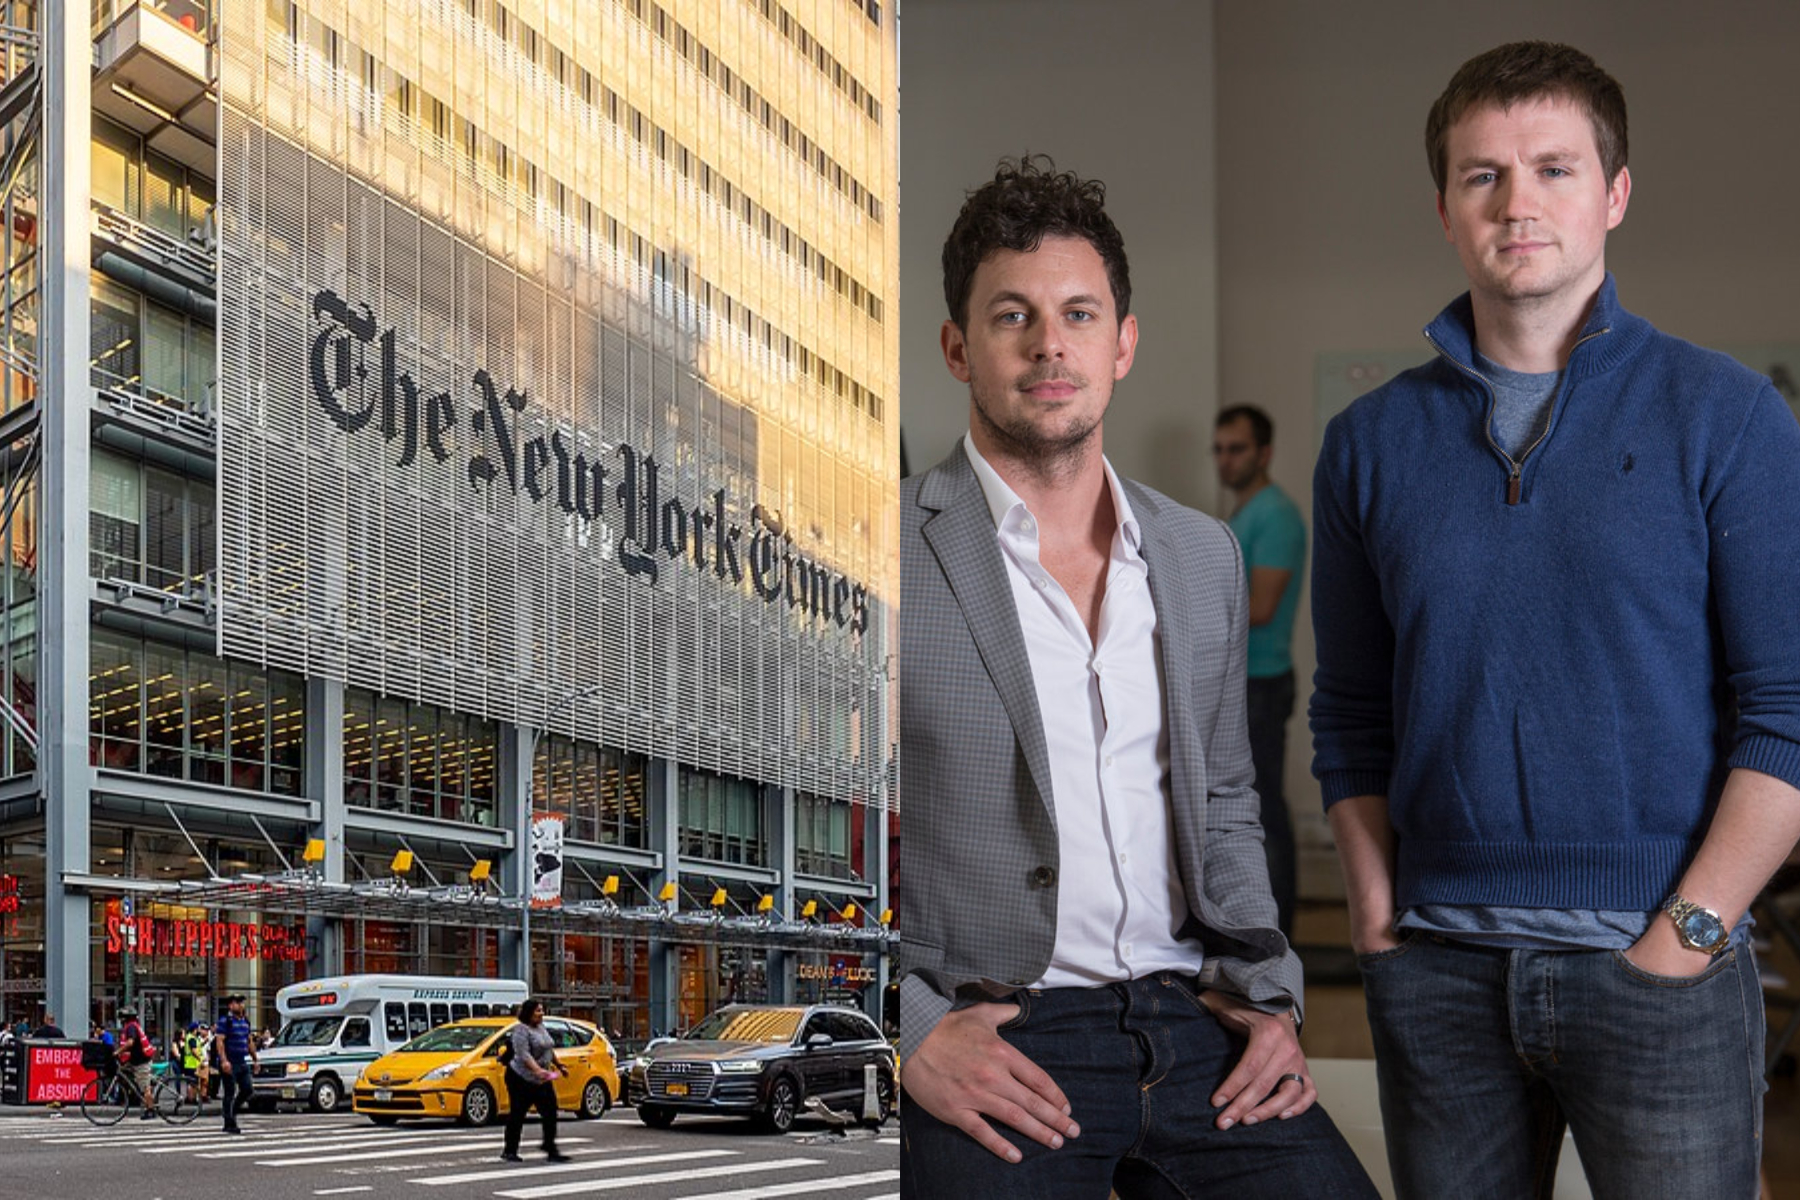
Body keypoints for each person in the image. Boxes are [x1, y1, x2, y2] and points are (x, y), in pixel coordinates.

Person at [1310, 41, 1800, 1200]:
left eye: (1554, 169)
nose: (1517, 202)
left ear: (1615, 194)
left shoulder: (1726, 414)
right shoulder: (1368, 445)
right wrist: (1381, 928)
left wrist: (1684, 936)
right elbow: (1351, 715)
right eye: (1483, 175)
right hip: (1439, 974)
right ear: (1444, 208)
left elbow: (1785, 713)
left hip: (1658, 967)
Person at [898, 155, 1374, 1199]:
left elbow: (1228, 797)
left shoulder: (1202, 554)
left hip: (1193, 1017)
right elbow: (810, 839)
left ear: (1123, 343)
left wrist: (1269, 998)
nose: (1048, 343)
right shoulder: (881, 555)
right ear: (956, 347)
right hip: (997, 1026)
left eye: (1078, 312)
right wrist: (909, 1030)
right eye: (1011, 315)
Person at [1214, 405, 1306, 939]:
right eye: (1220, 449)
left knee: (1264, 812)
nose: (1226, 460)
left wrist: (1185, 609)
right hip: (1242, 684)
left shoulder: (1276, 514)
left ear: (1264, 453)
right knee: (1249, 811)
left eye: (1238, 448)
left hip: (1262, 684)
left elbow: (1262, 606)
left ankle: (1279, 937)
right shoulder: (1245, 513)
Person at [499, 998, 569, 1164]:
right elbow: (523, 1055)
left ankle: (550, 1147)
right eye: (538, 1011)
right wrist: (537, 1070)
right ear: (529, 1013)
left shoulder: (541, 1028)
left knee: (550, 1112)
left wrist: (559, 1066)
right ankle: (510, 1150)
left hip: (542, 1078)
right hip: (520, 1078)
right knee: (517, 1113)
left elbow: (548, 1049)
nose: (541, 1014)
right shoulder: (521, 1030)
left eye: (542, 1010)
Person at [213, 994, 257, 1134]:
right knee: (229, 1092)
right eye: (237, 1003)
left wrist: (255, 1059)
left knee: (247, 1089)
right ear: (231, 1006)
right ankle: (229, 1122)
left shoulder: (246, 1022)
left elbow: (249, 1042)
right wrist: (224, 1060)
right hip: (229, 1061)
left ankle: (233, 1110)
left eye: (241, 1002)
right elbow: (220, 1042)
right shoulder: (225, 1021)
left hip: (241, 1061)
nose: (240, 1005)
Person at [115, 1006, 156, 1119]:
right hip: (135, 1060)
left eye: (122, 1017)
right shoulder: (132, 1025)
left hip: (141, 1061)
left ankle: (151, 1109)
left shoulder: (131, 1027)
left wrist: (118, 1052)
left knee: (145, 1088)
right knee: (123, 1072)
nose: (121, 1019)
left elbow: (130, 1043)